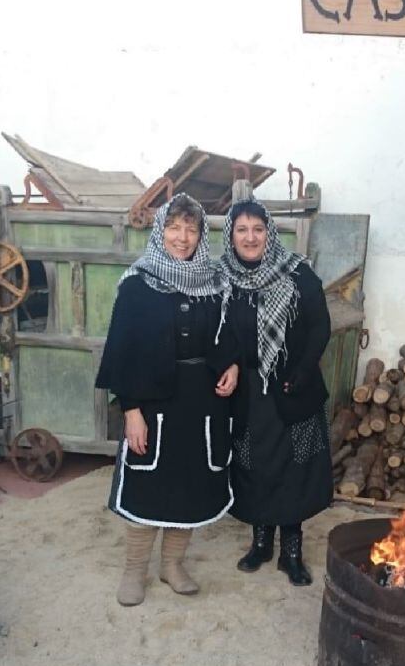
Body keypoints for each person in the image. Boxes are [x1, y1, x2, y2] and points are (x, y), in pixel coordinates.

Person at [96, 193, 239, 606]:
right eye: (174, 227)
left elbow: (226, 336)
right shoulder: (138, 284)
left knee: (192, 486)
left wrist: (231, 365)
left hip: (202, 406)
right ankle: (134, 571)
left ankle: (173, 565)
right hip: (154, 403)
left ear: (200, 235)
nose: (182, 237)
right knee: (147, 483)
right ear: (161, 231)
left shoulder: (215, 283)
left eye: (191, 229)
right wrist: (132, 411)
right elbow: (121, 349)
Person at [218, 198, 332, 586]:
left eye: (258, 229)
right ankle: (261, 542)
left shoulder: (298, 273)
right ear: (231, 236)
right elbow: (218, 334)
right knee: (252, 466)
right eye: (242, 230)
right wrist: (229, 363)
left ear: (270, 232)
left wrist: (300, 371)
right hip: (247, 392)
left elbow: (320, 327)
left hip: (292, 389)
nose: (250, 238)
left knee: (295, 467)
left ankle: (292, 552)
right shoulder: (223, 278)